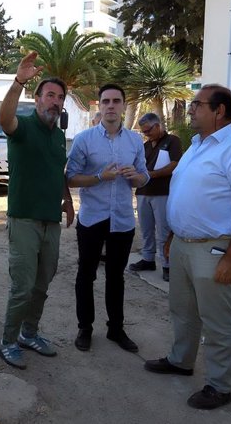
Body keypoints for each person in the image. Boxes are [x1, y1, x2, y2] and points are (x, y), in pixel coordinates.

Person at [144, 85, 231, 410]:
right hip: (184, 246)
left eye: (197, 104)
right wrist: (173, 237)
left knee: (217, 320)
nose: (191, 109)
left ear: (219, 111)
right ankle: (181, 360)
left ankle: (218, 386)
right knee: (182, 310)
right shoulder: (198, 145)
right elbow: (186, 195)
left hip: (215, 250)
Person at [0, 51, 75, 370]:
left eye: (60, 97)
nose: (55, 101)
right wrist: (17, 82)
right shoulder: (23, 128)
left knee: (42, 285)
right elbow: (4, 119)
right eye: (50, 95)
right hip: (24, 219)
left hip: (50, 222)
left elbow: (58, 172)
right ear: (38, 99)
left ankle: (29, 333)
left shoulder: (58, 137)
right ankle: (8, 340)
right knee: (23, 286)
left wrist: (67, 200)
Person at [66, 84, 149, 353]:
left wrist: (136, 177)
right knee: (86, 275)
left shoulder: (135, 140)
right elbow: (71, 177)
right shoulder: (84, 139)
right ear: (99, 106)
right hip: (92, 219)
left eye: (116, 101)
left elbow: (144, 175)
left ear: (124, 106)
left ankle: (116, 329)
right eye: (106, 101)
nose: (111, 106)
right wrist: (101, 176)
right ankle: (85, 328)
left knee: (116, 276)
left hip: (123, 220)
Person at [128, 113, 182, 281]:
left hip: (162, 192)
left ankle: (167, 265)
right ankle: (148, 259)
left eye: (149, 130)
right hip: (143, 192)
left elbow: (174, 165)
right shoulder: (144, 146)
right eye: (144, 131)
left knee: (164, 231)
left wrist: (150, 175)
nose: (147, 134)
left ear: (158, 125)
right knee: (146, 229)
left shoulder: (172, 141)